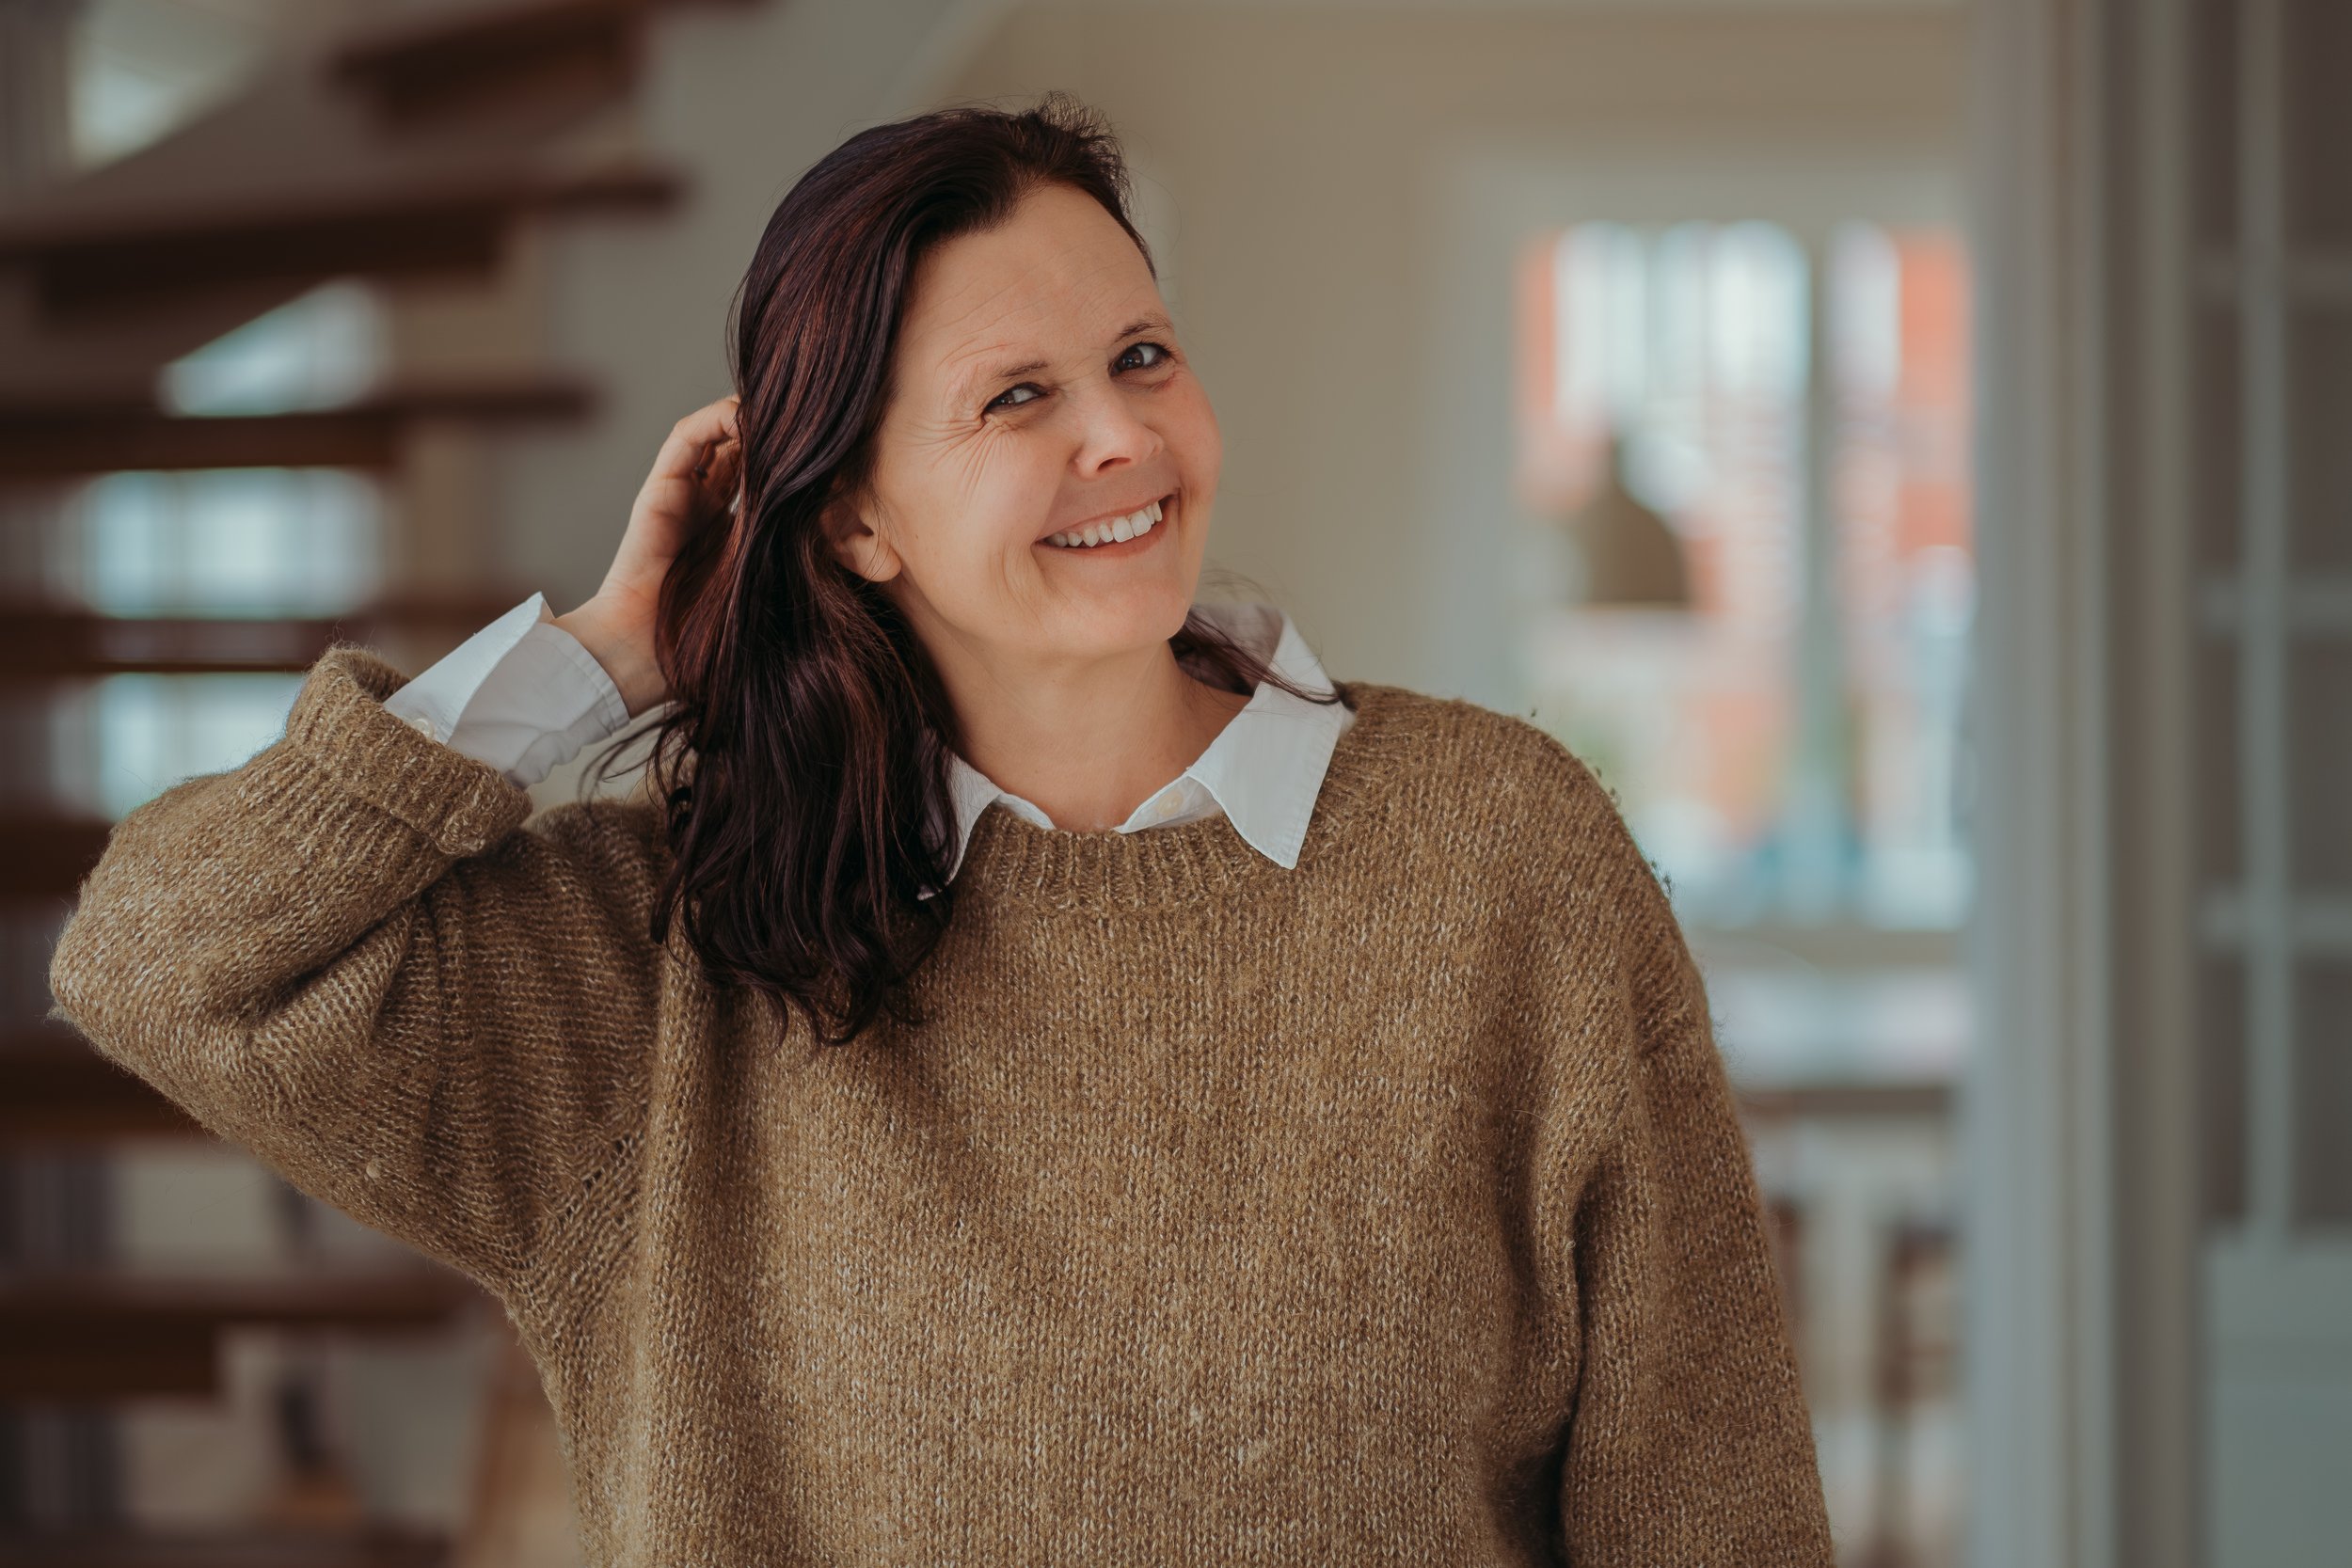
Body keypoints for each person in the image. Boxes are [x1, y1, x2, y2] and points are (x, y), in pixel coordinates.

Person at [46, 93, 1835, 1566]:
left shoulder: (1497, 853)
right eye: (1016, 397)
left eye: (1141, 354)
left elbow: (1711, 1499)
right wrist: (600, 661)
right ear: (850, 525)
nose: (1124, 438)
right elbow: (162, 962)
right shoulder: (669, 964)